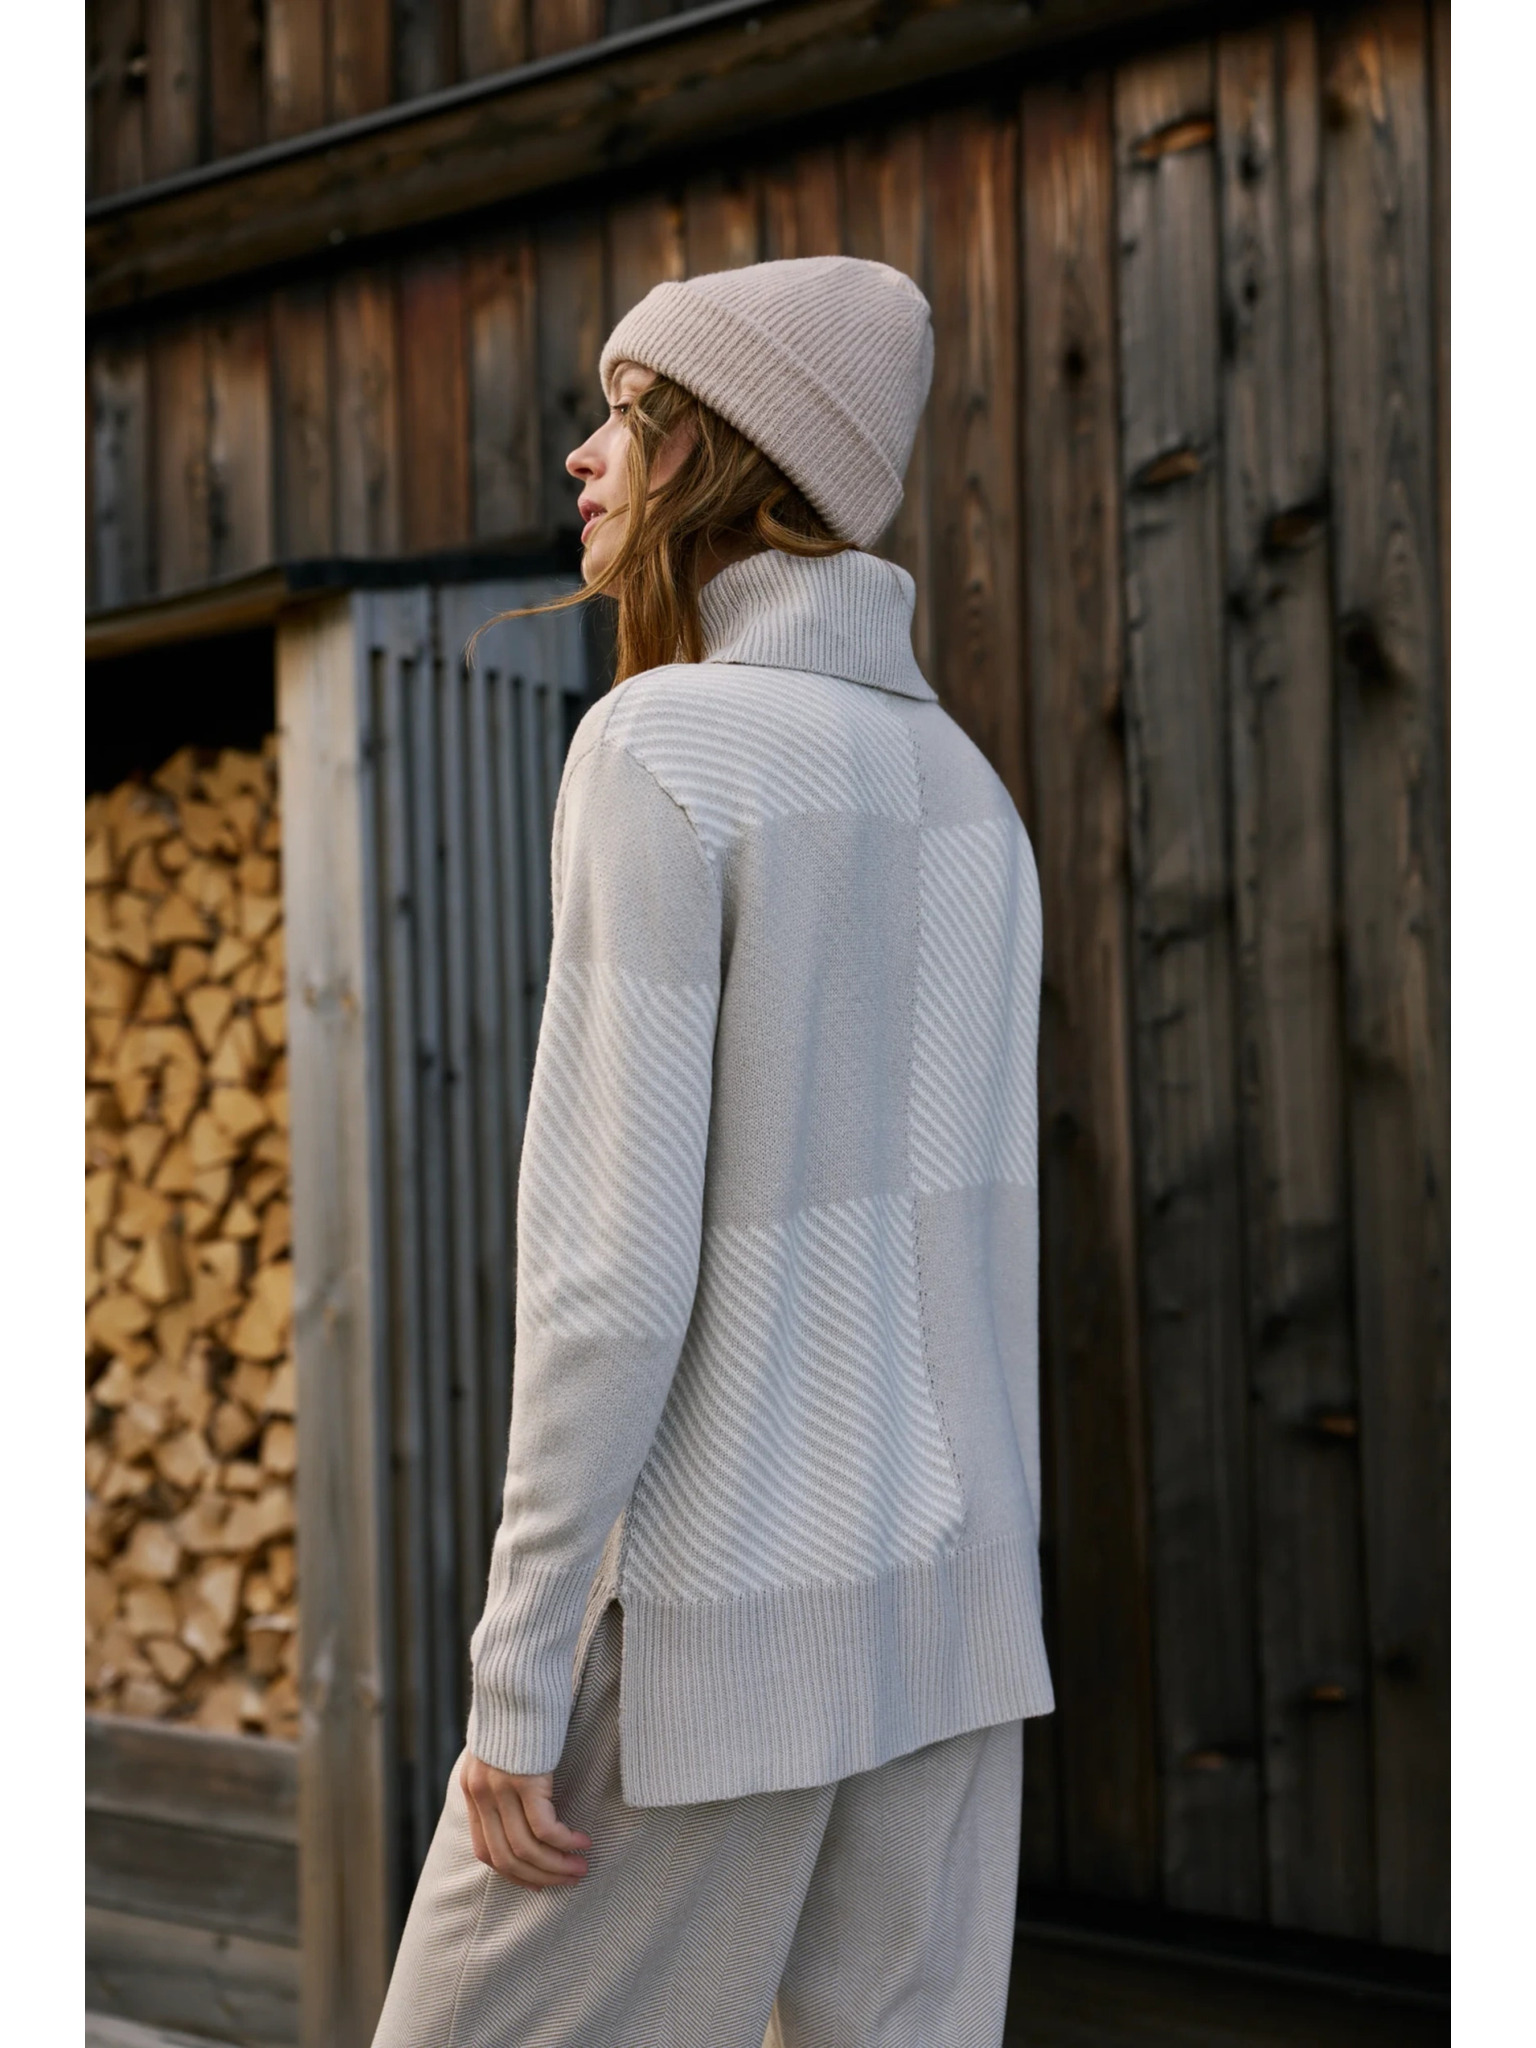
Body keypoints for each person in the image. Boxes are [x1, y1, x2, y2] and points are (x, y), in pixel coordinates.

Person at [370, 255, 1053, 2048]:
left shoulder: (664, 746)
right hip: (957, 1613)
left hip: (714, 1619)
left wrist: (518, 1673)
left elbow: (608, 1276)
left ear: (732, 457)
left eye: (631, 416)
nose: (585, 457)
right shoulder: (971, 794)